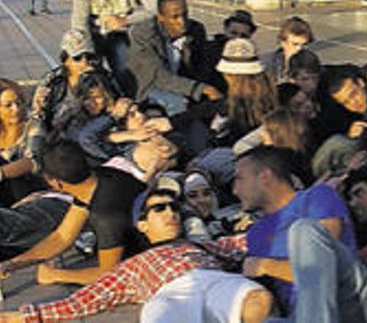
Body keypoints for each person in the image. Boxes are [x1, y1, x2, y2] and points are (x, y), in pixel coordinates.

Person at [0, 184, 273, 323]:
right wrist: (26, 316)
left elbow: (248, 240)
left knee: (258, 301)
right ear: (142, 224)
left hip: (212, 279)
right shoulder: (134, 266)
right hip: (170, 294)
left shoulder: (201, 247)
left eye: (173, 207)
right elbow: (86, 300)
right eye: (159, 209)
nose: (170, 213)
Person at [233, 146, 367, 322]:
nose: (235, 190)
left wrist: (267, 266)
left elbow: (325, 266)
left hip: (346, 297)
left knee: (302, 230)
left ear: (265, 176)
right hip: (300, 314)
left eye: (240, 179)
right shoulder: (255, 235)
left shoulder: (317, 197)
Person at [4, 141, 145, 286]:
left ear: (56, 183)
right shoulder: (98, 179)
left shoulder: (105, 215)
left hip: (146, 260)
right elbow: (62, 237)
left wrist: (56, 275)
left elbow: (108, 274)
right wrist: (14, 263)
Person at [128, 0, 221, 114]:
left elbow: (202, 67)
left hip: (185, 85)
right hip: (151, 88)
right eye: (175, 17)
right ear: (161, 17)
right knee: (177, 103)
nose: (182, 22)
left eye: (185, 15)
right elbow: (159, 77)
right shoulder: (143, 34)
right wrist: (201, 89)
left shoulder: (196, 29)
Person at [29, 29, 105, 157]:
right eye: (77, 57)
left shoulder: (101, 77)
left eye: (89, 56)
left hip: (86, 133)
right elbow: (38, 114)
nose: (84, 62)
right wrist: (37, 107)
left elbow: (111, 109)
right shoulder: (53, 80)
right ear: (66, 59)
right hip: (55, 135)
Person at [0, 79, 44, 206]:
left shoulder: (33, 124)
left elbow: (32, 161)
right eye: (8, 105)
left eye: (19, 103)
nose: (16, 109)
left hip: (28, 186)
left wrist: (1, 173)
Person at [269, 16, 314, 82]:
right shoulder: (271, 65)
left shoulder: (312, 65)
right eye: (295, 44)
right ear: (283, 43)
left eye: (304, 44)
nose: (299, 48)